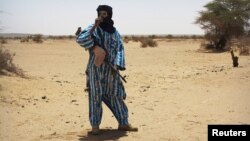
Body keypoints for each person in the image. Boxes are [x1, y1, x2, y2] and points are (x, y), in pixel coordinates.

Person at [76, 5, 138, 135]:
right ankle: (95, 126)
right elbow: (81, 39)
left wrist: (118, 64)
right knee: (95, 96)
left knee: (116, 94)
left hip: (112, 69)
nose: (101, 16)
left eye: (104, 14)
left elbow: (120, 48)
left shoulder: (115, 32)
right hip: (96, 68)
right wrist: (94, 28)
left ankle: (123, 122)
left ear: (109, 15)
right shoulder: (93, 28)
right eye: (100, 13)